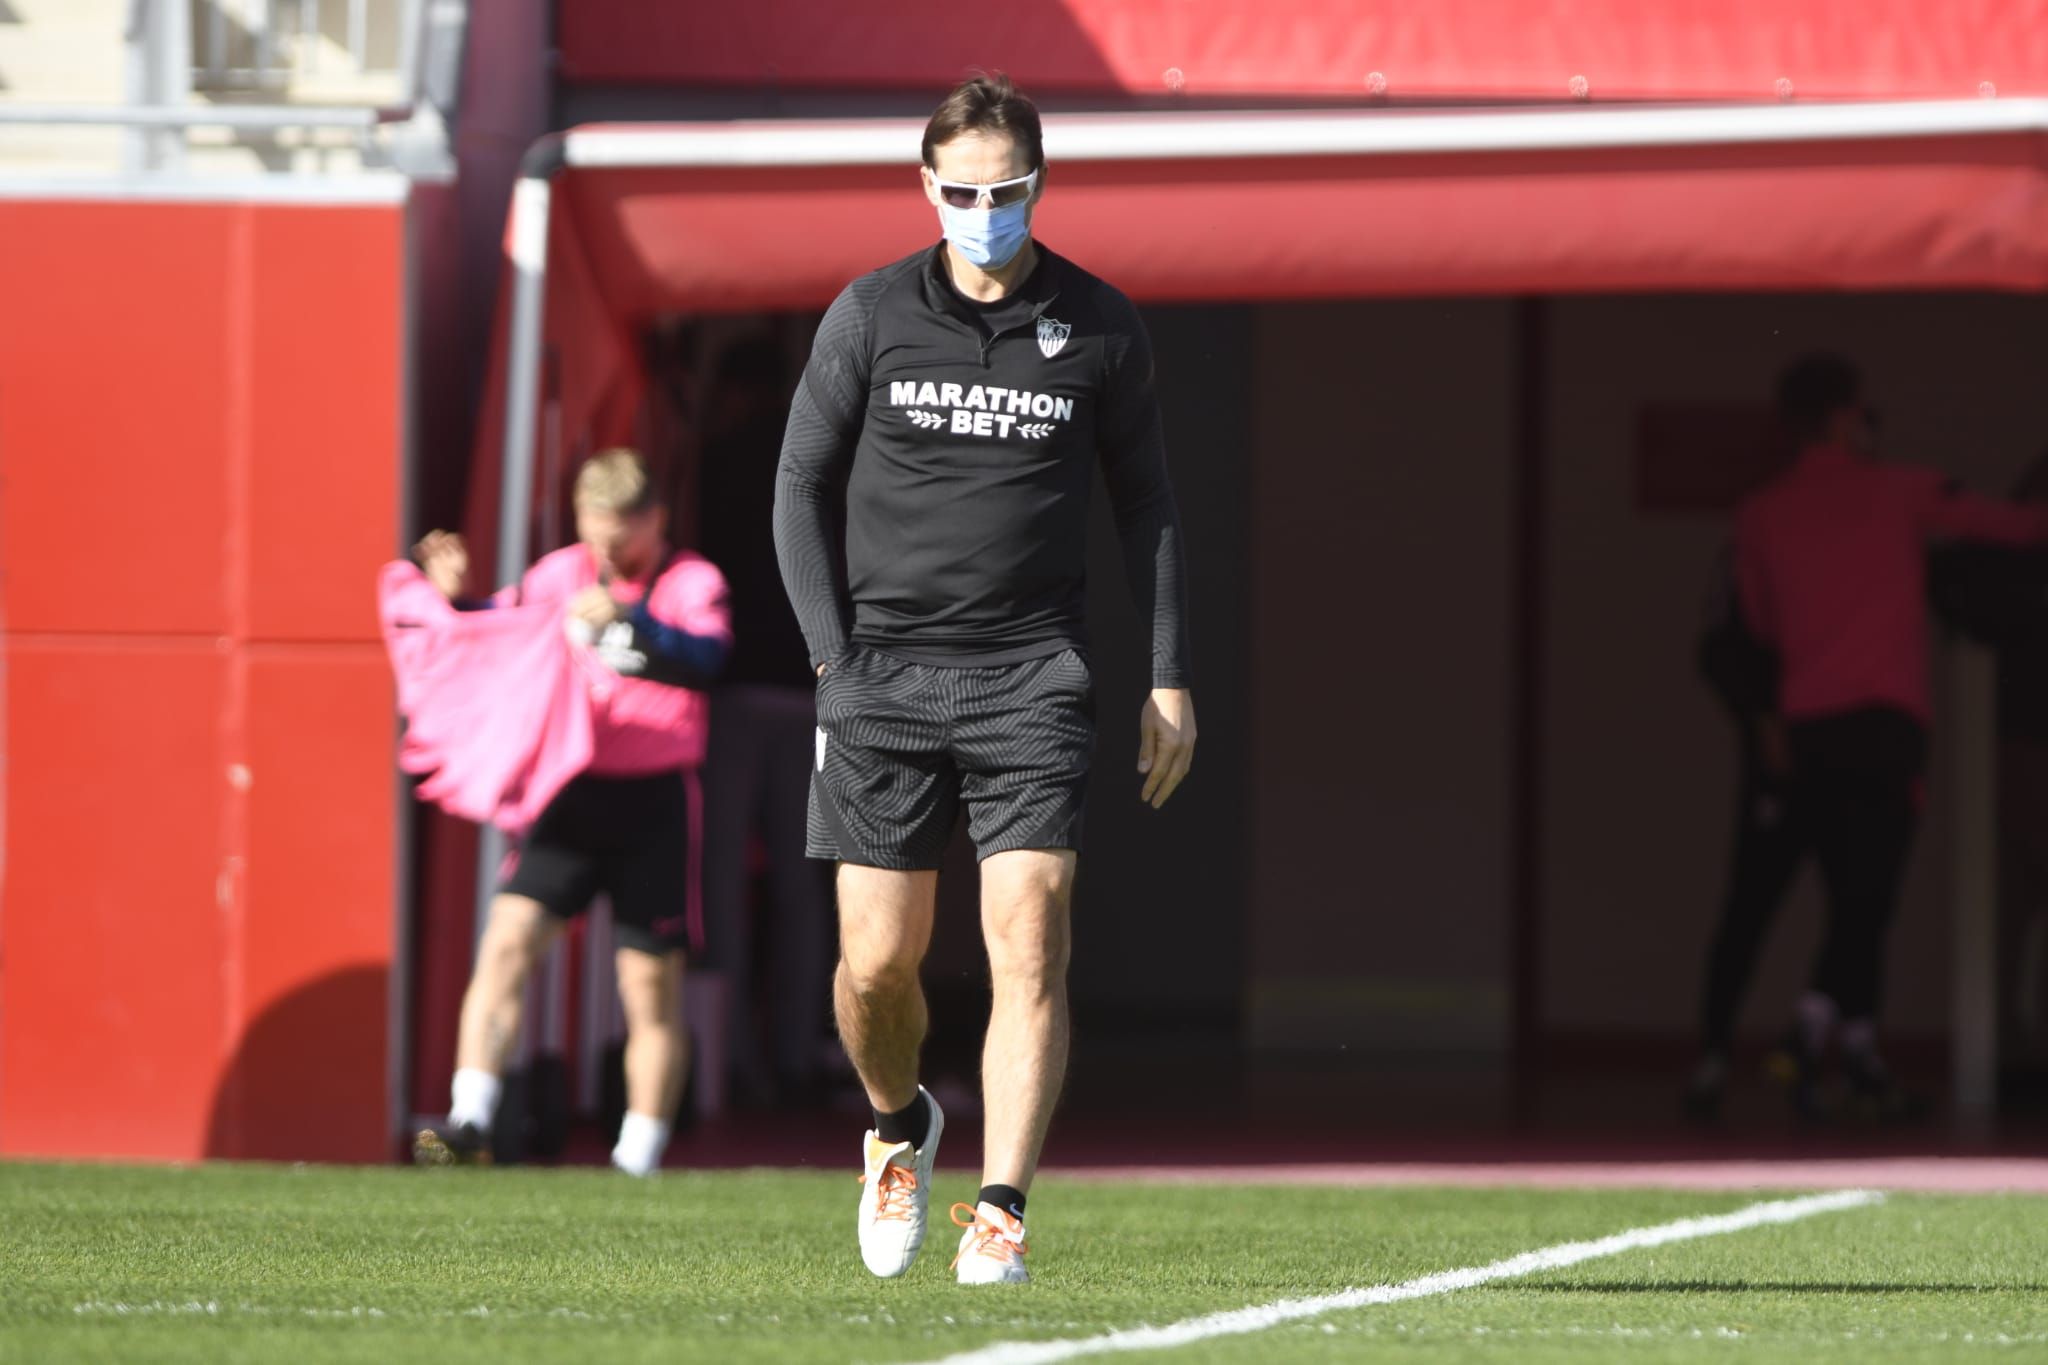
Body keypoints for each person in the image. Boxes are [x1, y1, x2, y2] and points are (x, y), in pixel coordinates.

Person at [773, 73, 1195, 1284]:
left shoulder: (1102, 326)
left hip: (1032, 678)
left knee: (1031, 937)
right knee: (875, 967)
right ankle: (898, 1131)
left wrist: (1167, 674)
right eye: (959, 191)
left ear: (1038, 184)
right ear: (926, 187)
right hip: (881, 679)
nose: (982, 210)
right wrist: (830, 662)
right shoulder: (867, 315)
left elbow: (1149, 506)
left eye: (1003, 190)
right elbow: (797, 489)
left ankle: (1001, 1209)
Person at [1722, 354, 2048, 1118]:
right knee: (1869, 898)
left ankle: (1857, 1055)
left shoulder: (1761, 513)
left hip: (1809, 730)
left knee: (1851, 896)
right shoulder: (1899, 492)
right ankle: (1809, 1029)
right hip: (1884, 727)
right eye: (1869, 412)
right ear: (1842, 417)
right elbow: (2017, 528)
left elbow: (1760, 622)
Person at [411, 448, 732, 1174]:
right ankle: (469, 1121)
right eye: (594, 530)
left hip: (654, 797)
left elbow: (711, 660)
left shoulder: (690, 580)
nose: (606, 549)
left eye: (621, 533)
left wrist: (636, 617)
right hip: (572, 790)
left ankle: (638, 1155)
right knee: (506, 941)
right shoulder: (559, 572)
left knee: (646, 982)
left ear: (654, 519)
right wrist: (454, 599)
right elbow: (492, 635)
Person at [696, 335, 837, 1109]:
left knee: (721, 880)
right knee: (802, 886)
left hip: (734, 691)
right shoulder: (823, 468)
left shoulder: (712, 461)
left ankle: (729, 1061)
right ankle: (793, 1052)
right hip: (805, 687)